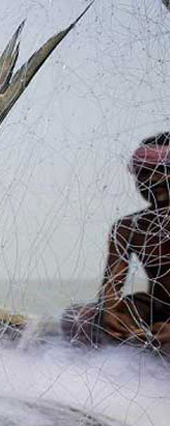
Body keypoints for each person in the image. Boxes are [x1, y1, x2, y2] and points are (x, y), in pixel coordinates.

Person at [62, 132, 170, 354]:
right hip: (152, 308)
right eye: (143, 173)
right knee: (78, 317)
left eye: (161, 171)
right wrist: (111, 314)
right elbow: (110, 288)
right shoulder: (128, 227)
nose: (151, 180)